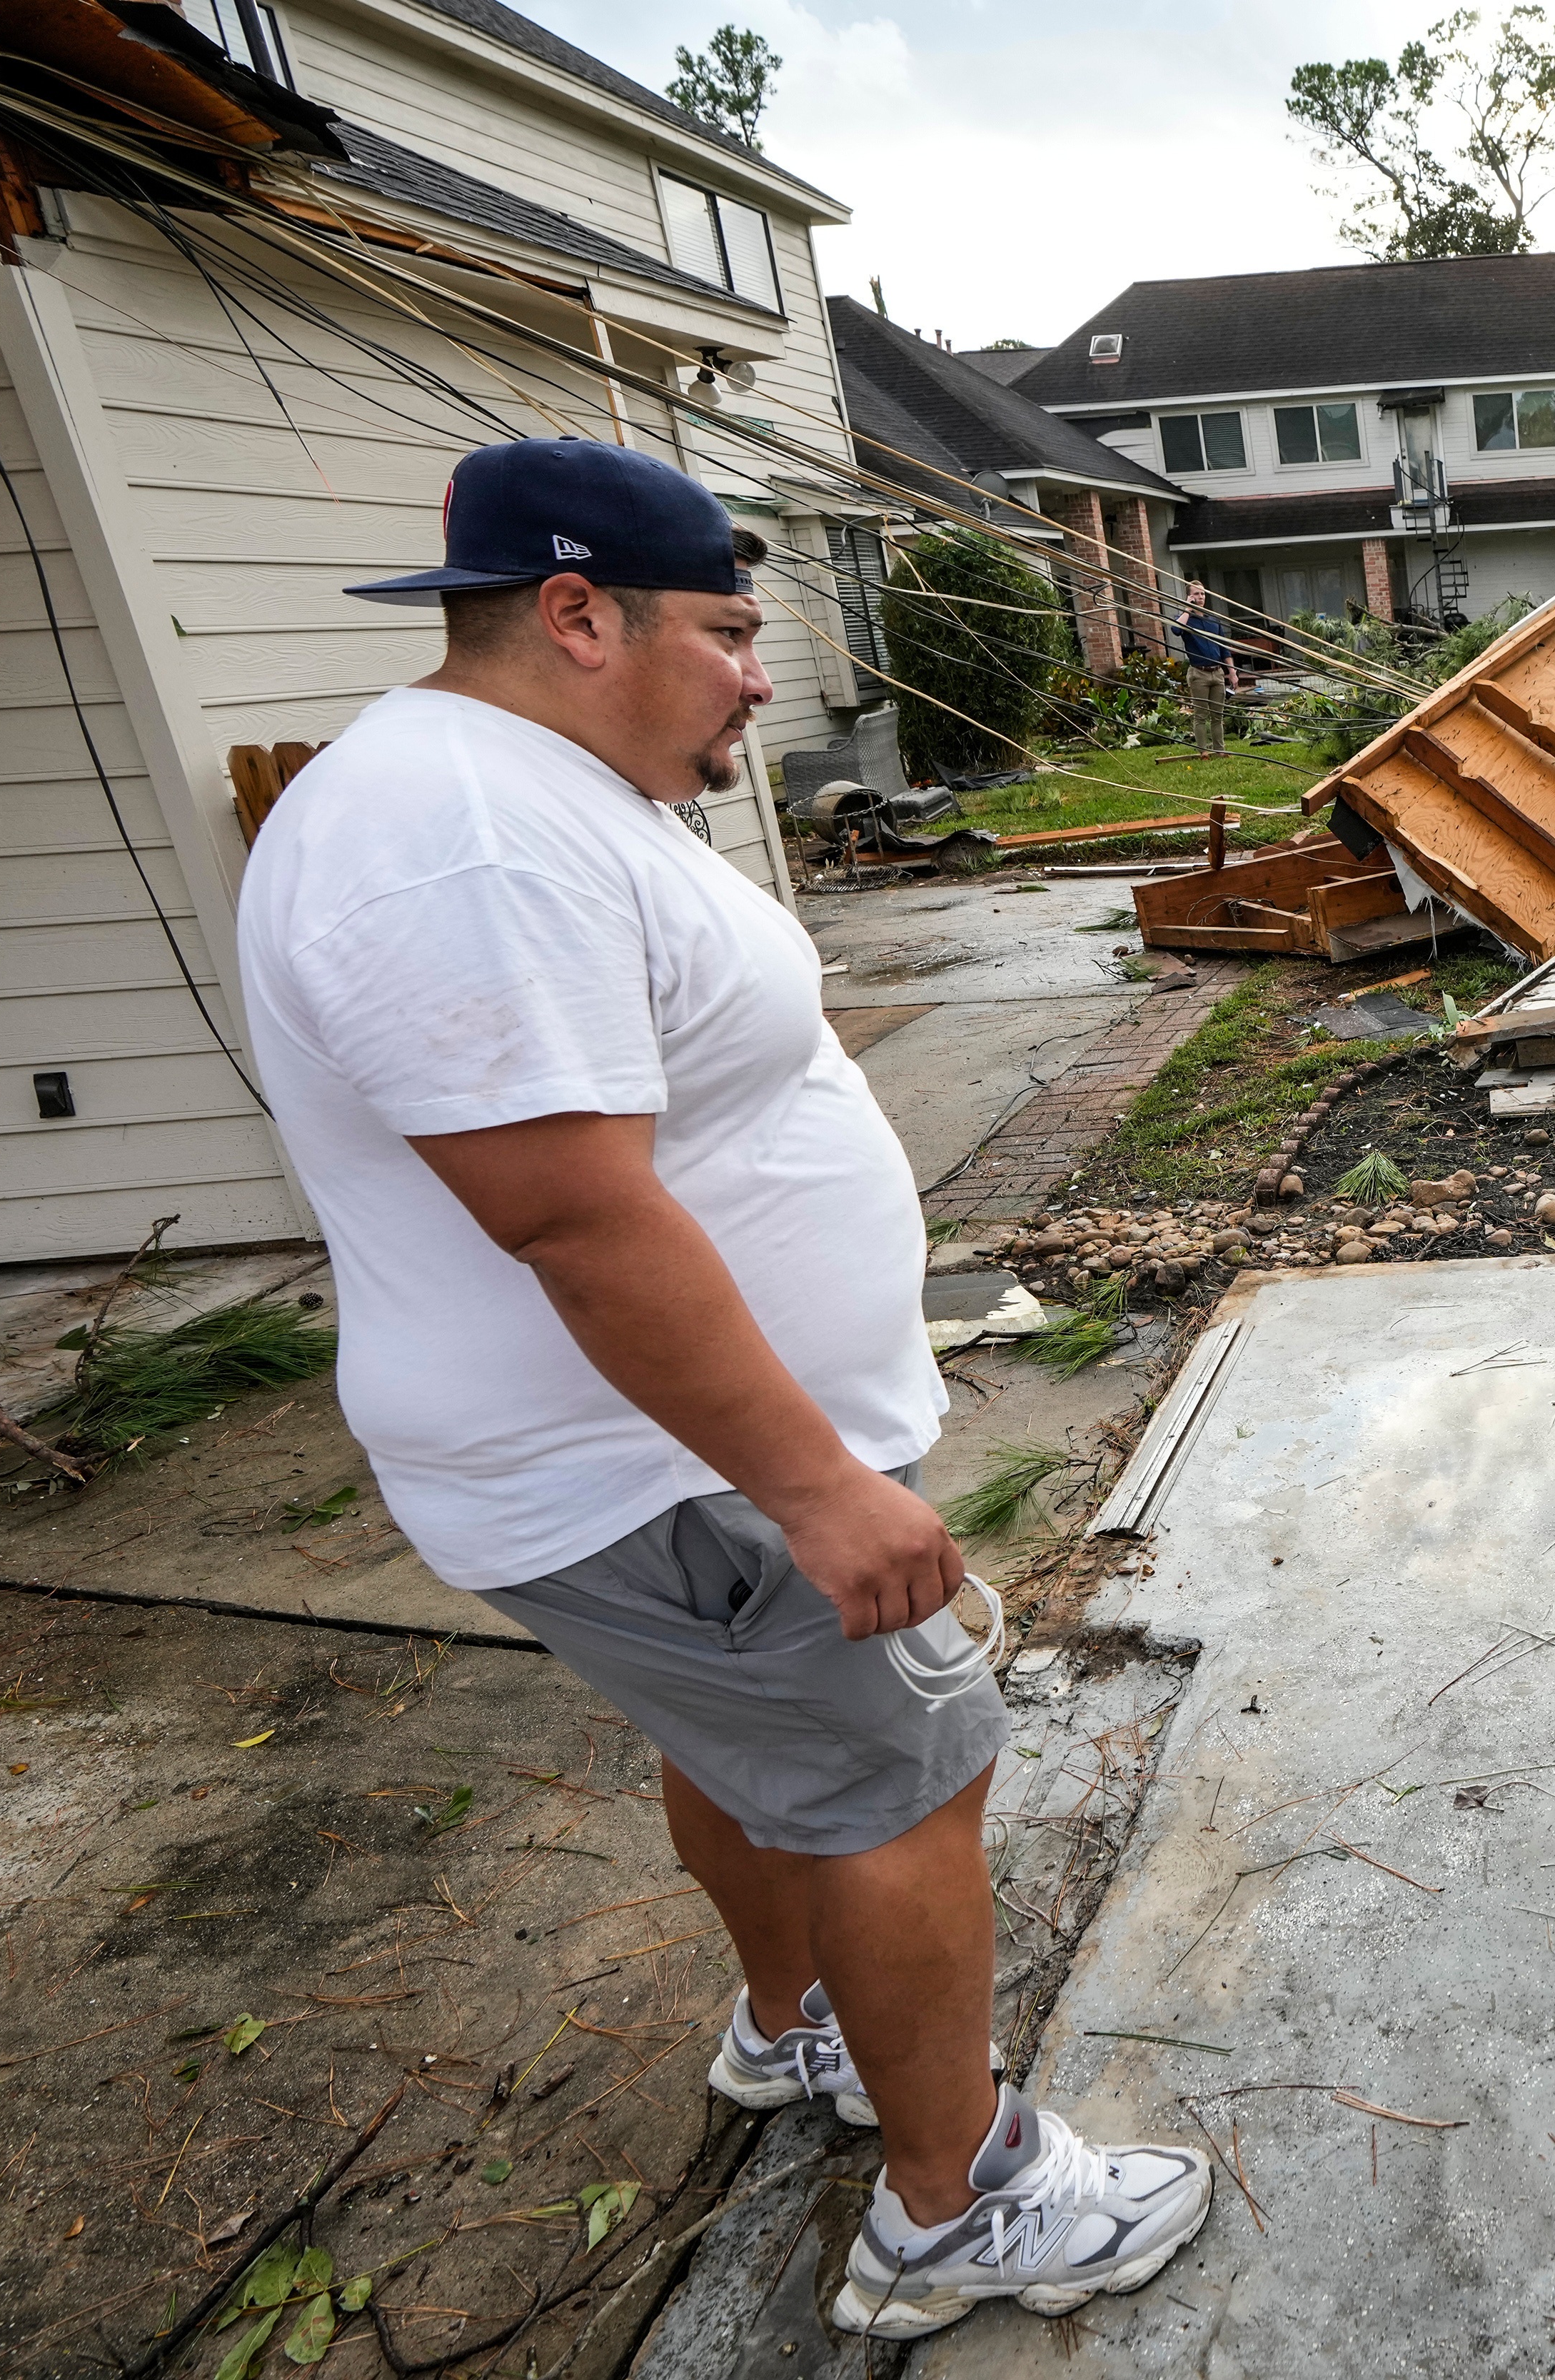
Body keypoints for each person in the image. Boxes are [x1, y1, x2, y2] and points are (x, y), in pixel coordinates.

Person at [236, 439, 1209, 2341]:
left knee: (764, 1751)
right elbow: (579, 1219)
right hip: (672, 1469)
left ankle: (802, 2020)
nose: (761, 676)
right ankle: (958, 2205)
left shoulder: (542, 788)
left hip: (675, 1461)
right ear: (580, 614)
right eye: (729, 630)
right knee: (906, 1779)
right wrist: (822, 1486)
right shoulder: (467, 835)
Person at [1176, 581, 1231, 754]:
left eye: (1203, 594)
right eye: (1197, 594)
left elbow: (1224, 647)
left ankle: (1220, 750)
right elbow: (1176, 630)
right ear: (1190, 597)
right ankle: (1203, 752)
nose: (1201, 598)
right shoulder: (1186, 620)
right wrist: (1187, 608)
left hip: (1217, 673)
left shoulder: (1213, 620)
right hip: (1199, 674)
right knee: (1201, 716)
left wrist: (1233, 672)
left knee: (1218, 716)